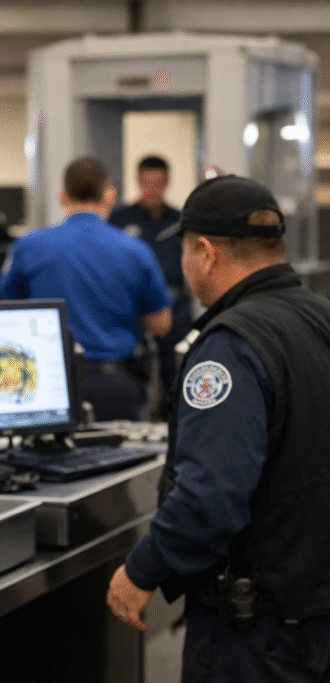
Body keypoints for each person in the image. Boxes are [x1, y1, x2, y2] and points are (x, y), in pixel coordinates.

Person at [107, 175, 330, 682]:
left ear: (205, 252)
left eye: (185, 252)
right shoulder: (320, 317)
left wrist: (141, 571)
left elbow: (211, 494)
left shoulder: (229, 345)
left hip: (258, 638)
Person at [0, 157, 172, 421]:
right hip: (115, 384)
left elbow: (9, 306)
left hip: (48, 382)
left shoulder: (27, 247)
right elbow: (161, 324)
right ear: (109, 196)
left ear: (61, 197)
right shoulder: (135, 250)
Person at [109, 156, 193, 407]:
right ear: (138, 182)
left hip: (173, 305)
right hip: (132, 308)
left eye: (158, 183)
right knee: (133, 373)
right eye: (147, 183)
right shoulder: (120, 219)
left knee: (176, 373)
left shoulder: (180, 220)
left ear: (167, 183)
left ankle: (173, 421)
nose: (152, 189)